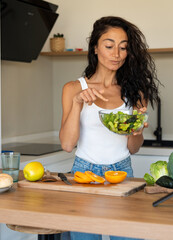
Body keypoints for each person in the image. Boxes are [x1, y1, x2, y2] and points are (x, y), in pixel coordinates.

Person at [59, 16, 161, 240]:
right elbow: (67, 145)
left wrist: (138, 132)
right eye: (109, 46)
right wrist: (77, 103)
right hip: (83, 174)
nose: (117, 54)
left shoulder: (135, 92)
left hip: (123, 172)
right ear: (95, 48)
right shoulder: (74, 88)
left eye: (123, 48)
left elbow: (133, 148)